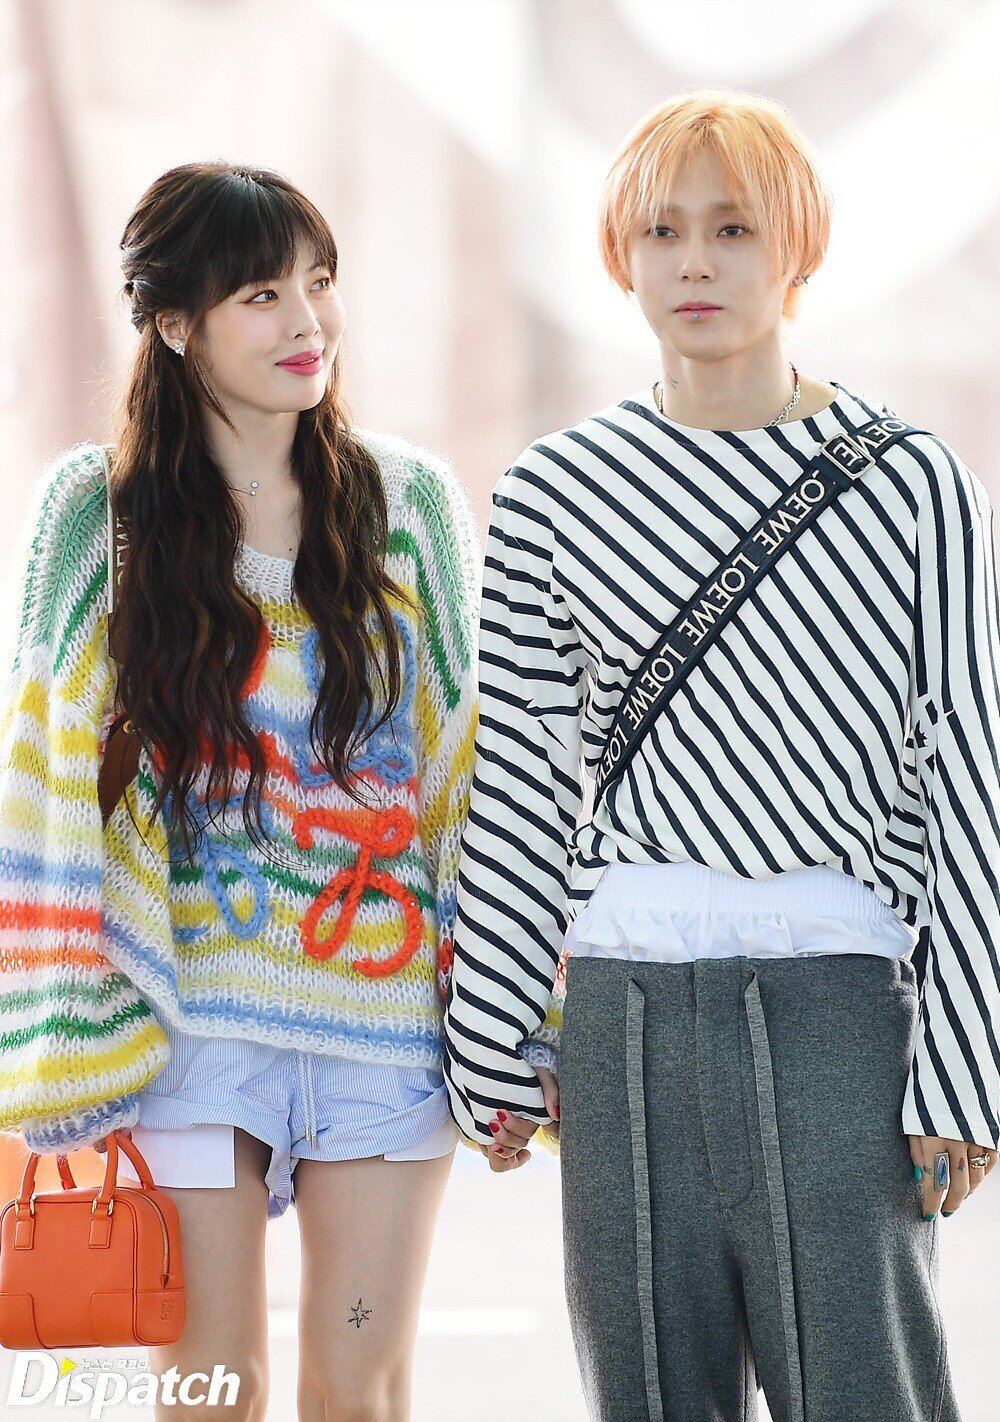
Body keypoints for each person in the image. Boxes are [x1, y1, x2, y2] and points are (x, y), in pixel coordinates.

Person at [441, 89, 999, 1421]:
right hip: (623, 1006)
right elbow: (521, 778)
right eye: (663, 230)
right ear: (619, 253)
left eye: (733, 227)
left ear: (798, 246)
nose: (694, 261)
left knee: (867, 1394)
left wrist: (964, 1066)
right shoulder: (553, 490)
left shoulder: (912, 482)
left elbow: (971, 768)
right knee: (645, 1397)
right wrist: (492, 1038)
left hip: (837, 1003)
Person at [0, 161, 480, 1420]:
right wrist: (59, 1030)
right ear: (174, 322)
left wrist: (507, 1018)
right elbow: (43, 784)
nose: (308, 322)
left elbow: (457, 777)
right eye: (262, 295)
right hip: (190, 1025)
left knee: (356, 1387)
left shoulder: (406, 503)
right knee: (210, 1390)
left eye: (319, 283)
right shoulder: (94, 517)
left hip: (381, 1024)